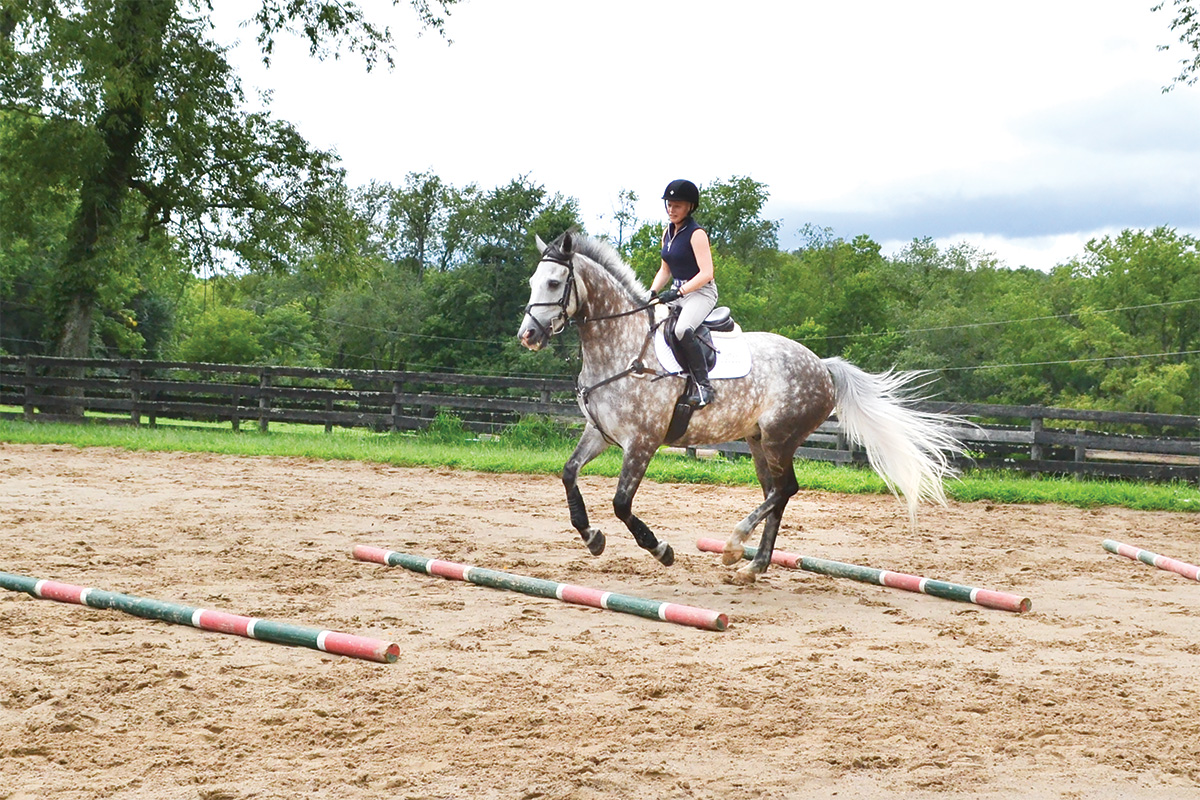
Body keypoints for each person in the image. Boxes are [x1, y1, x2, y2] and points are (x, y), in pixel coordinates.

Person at [649, 178, 718, 407]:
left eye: (677, 205)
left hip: (701, 292)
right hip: (677, 291)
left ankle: (704, 386)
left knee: (681, 330)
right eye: (669, 204)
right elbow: (664, 270)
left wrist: (679, 292)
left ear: (689, 207)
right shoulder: (667, 232)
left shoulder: (696, 234)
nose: (671, 209)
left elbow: (707, 273)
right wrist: (651, 292)